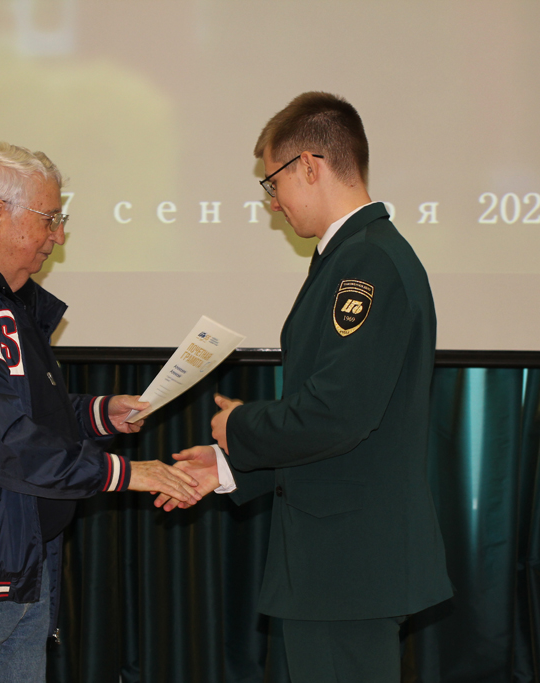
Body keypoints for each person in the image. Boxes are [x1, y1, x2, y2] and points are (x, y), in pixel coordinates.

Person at [0, 142, 201, 683]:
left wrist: (99, 414)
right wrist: (126, 473)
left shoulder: (5, 296)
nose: (58, 235)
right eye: (50, 218)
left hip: (17, 562)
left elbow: (21, 409)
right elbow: (1, 438)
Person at [160, 92, 452, 682]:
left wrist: (239, 427)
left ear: (311, 167)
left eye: (273, 183)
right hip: (330, 569)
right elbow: (341, 425)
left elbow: (337, 415)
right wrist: (229, 468)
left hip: (347, 569)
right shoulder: (351, 256)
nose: (273, 203)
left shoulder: (368, 263)